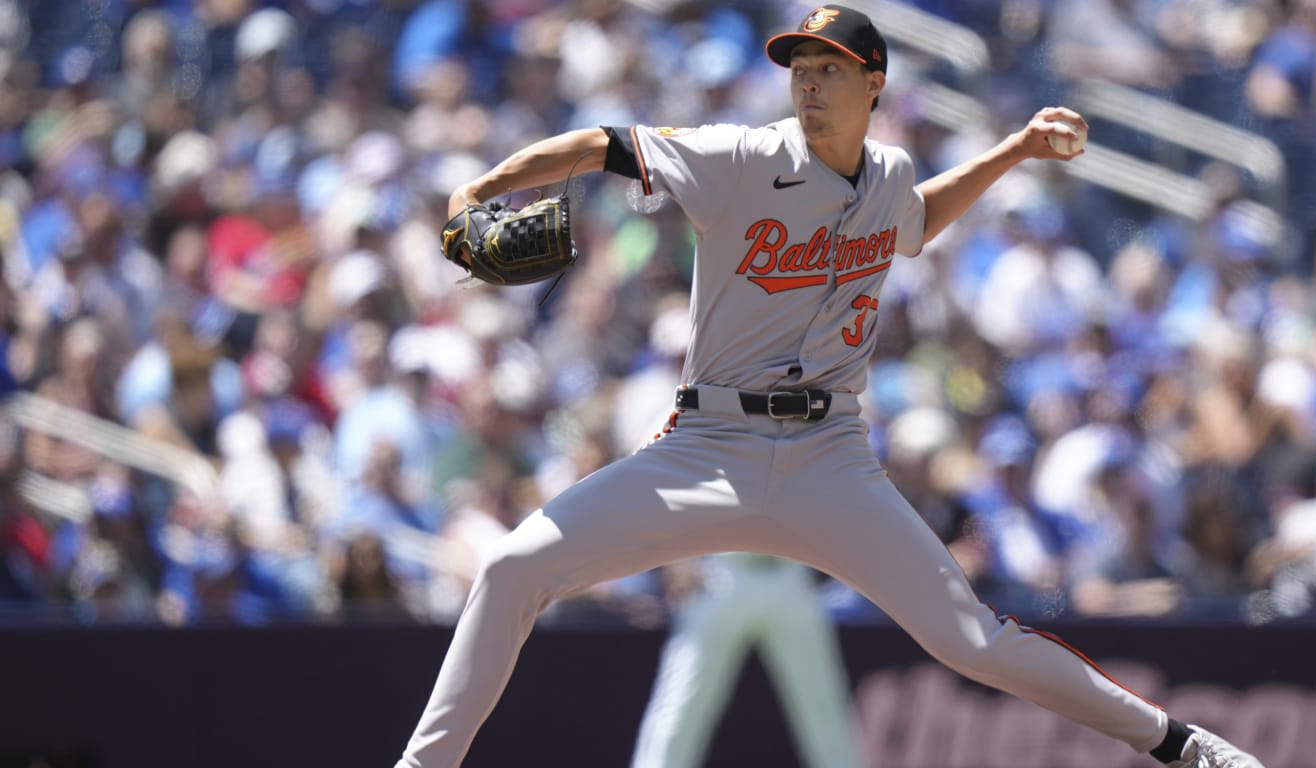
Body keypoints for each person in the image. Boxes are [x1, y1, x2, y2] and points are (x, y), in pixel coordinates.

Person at [395, 6, 1264, 767]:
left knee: (972, 641)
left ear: (872, 82)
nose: (806, 86)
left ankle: (1180, 744)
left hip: (829, 457)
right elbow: (605, 144)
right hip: (710, 446)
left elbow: (917, 218)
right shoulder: (739, 155)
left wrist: (1015, 149)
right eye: (799, 72)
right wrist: (483, 184)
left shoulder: (886, 177)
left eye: (826, 71)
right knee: (512, 566)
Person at [629, 554, 863, 768]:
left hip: (789, 575)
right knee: (681, 701)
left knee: (824, 704)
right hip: (722, 574)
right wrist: (678, 562)